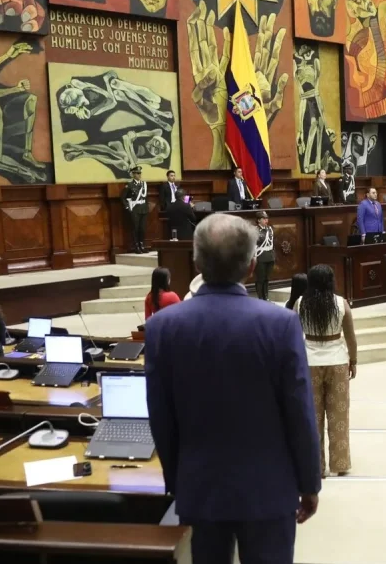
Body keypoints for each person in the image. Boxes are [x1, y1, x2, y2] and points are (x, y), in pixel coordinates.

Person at [145, 214, 320, 564]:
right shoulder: (281, 324)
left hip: (199, 488)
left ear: (196, 263)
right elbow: (299, 412)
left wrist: (178, 481)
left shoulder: (162, 327)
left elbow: (161, 419)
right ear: (253, 266)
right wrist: (309, 482)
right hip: (269, 490)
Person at [294, 265, 357, 478]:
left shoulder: (300, 303)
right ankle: (339, 464)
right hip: (338, 361)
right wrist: (354, 360)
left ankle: (316, 467)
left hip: (309, 361)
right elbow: (350, 336)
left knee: (312, 417)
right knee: (339, 414)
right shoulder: (341, 303)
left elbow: (293, 335)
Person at [123, 166, 149, 254]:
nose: (139, 175)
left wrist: (147, 206)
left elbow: (146, 197)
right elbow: (123, 197)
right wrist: (127, 207)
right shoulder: (129, 185)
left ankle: (142, 245)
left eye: (140, 173)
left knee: (142, 228)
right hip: (135, 208)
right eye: (137, 173)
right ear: (133, 174)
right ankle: (136, 246)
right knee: (136, 228)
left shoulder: (144, 184)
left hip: (143, 208)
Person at [255, 212, 276, 301]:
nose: (266, 220)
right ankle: (260, 298)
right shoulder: (255, 230)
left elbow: (272, 243)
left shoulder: (270, 229)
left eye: (266, 218)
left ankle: (266, 297)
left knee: (267, 278)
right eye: (264, 219)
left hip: (269, 256)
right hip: (260, 256)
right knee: (261, 279)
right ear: (258, 220)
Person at [159, 170, 181, 238]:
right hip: (169, 206)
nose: (173, 177)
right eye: (171, 176)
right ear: (168, 177)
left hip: (177, 206)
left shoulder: (177, 185)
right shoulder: (164, 186)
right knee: (170, 223)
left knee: (178, 222)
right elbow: (161, 198)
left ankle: (178, 237)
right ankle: (171, 237)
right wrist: (165, 206)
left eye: (174, 176)